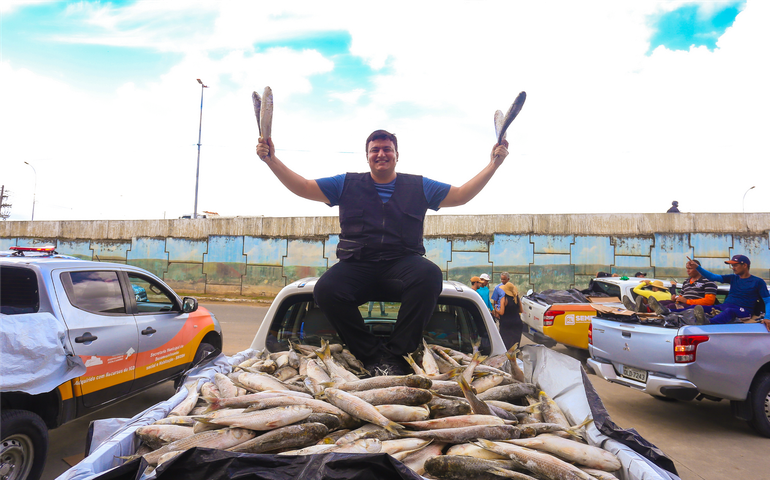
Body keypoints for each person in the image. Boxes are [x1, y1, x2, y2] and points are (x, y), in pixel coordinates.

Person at [256, 130, 510, 375]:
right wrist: (271, 160)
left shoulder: (420, 186)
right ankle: (372, 354)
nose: (381, 154)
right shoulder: (344, 184)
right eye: (374, 149)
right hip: (357, 264)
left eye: (387, 149)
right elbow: (302, 186)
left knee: (429, 274)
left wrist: (494, 165)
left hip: (402, 263)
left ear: (397, 155)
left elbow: (461, 195)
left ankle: (398, 355)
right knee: (326, 289)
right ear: (367, 156)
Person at [688, 255, 770, 326]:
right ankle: (679, 315)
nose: (733, 268)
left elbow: (767, 301)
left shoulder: (758, 282)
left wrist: (767, 318)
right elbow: (713, 277)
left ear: (745, 265)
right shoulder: (732, 277)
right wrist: (697, 267)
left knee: (729, 311)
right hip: (724, 307)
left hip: (743, 311)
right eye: (732, 266)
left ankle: (708, 323)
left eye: (735, 265)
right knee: (695, 307)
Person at [647, 259, 717, 315]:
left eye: (690, 268)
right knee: (662, 302)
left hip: (693, 307)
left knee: (671, 306)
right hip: (682, 303)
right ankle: (646, 308)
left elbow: (709, 301)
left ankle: (659, 311)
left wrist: (687, 301)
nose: (687, 271)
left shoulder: (708, 280)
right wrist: (676, 299)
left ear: (698, 269)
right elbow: (682, 296)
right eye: (687, 268)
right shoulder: (686, 281)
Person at [494, 282, 523, 349]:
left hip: (506, 324)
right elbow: (521, 310)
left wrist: (496, 309)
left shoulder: (504, 299)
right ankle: (515, 355)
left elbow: (501, 312)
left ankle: (507, 355)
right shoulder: (517, 298)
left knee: (506, 344)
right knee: (515, 345)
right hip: (517, 323)